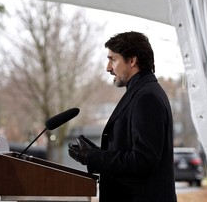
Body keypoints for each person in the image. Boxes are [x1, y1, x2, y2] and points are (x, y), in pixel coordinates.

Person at [68, 31, 177, 202]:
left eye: (113, 59)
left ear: (132, 60)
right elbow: (131, 152)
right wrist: (96, 152)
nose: (108, 68)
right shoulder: (142, 92)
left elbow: (142, 161)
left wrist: (93, 157)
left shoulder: (146, 97)